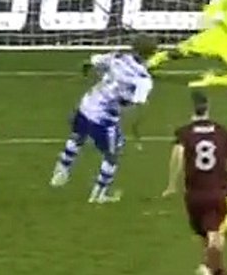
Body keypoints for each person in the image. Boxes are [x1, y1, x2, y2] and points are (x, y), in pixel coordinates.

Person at [49, 36, 158, 204]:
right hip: (104, 118)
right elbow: (137, 105)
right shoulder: (143, 79)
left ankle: (60, 172)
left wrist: (85, 71)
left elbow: (91, 61)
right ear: (151, 54)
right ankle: (99, 194)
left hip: (87, 104)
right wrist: (135, 127)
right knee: (112, 155)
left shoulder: (118, 57)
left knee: (77, 137)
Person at [163, 91, 227, 275]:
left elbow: (177, 155)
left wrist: (171, 184)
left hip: (193, 198)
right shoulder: (222, 131)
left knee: (208, 239)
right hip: (217, 194)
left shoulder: (184, 132)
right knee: (216, 241)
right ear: (208, 107)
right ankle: (209, 272)